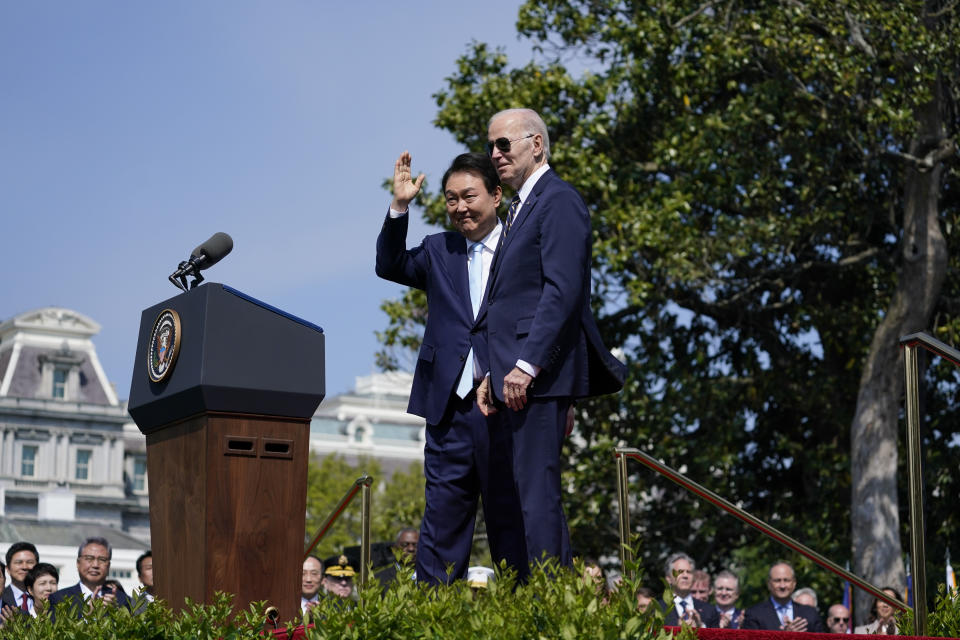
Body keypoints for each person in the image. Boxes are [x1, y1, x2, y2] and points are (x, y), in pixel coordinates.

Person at [475, 108, 627, 574]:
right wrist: (489, 373)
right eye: (491, 146)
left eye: (505, 144)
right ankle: (529, 596)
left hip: (531, 380)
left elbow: (563, 292)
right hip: (508, 380)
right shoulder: (521, 207)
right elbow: (507, 302)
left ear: (536, 145)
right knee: (513, 494)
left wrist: (528, 365)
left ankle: (547, 601)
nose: (495, 154)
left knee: (536, 494)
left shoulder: (558, 201)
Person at [376, 151, 525, 584]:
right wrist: (399, 207)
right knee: (441, 526)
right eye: (450, 199)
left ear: (497, 195)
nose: (460, 207)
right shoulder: (439, 249)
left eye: (469, 196)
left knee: (510, 522)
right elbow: (389, 265)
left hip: (508, 405)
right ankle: (435, 619)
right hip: (450, 410)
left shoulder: (522, 247)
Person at [48, 537, 131, 619]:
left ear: (108, 565)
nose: (95, 565)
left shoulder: (122, 600)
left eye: (102, 560)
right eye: (89, 559)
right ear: (78, 563)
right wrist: (88, 616)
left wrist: (115, 614)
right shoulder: (59, 598)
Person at [741, 561, 824, 632]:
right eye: (777, 581)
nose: (782, 586)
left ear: (794, 583)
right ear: (769, 584)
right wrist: (784, 636)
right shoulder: (754, 614)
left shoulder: (810, 613)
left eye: (786, 580)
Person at [657, 552, 720, 628]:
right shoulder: (658, 609)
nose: (685, 575)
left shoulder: (710, 610)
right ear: (668, 578)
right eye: (680, 572)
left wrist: (700, 627)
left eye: (689, 572)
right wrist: (677, 630)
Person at [2, 541, 39, 616]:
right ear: (8, 569)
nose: (24, 567)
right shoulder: (1, 598)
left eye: (30, 562)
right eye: (18, 562)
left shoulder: (46, 598)